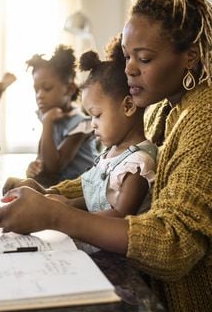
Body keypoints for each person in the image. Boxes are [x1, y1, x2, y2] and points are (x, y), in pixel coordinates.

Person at [0, 0, 212, 312]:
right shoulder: (165, 106)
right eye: (127, 55)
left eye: (145, 58)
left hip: (204, 304)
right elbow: (110, 172)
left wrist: (55, 215)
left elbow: (173, 245)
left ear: (191, 56)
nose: (129, 69)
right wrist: (47, 195)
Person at [16, 35, 157, 218]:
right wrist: (67, 203)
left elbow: (120, 216)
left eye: (97, 115)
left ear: (128, 106)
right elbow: (96, 198)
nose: (92, 124)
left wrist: (64, 213)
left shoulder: (137, 163)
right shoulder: (111, 154)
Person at [25, 45, 97, 187]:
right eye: (36, 90)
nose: (39, 95)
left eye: (47, 88)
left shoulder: (81, 124)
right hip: (57, 189)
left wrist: (47, 122)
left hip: (82, 191)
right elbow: (43, 160)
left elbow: (54, 167)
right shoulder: (49, 117)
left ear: (70, 89)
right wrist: (34, 167)